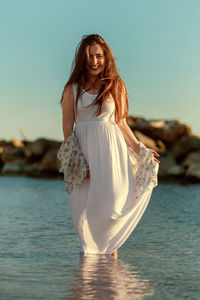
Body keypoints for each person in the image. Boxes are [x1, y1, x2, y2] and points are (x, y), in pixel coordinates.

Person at [59, 34, 160, 258]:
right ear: (82, 60)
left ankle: (111, 281)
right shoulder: (72, 89)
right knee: (86, 216)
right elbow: (67, 129)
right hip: (85, 158)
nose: (94, 62)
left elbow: (121, 124)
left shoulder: (116, 86)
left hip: (113, 158)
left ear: (106, 58)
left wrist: (140, 151)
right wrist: (77, 162)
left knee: (112, 213)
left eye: (99, 56)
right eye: (89, 57)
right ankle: (91, 283)